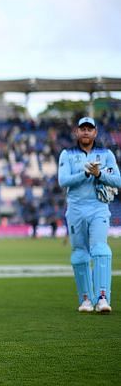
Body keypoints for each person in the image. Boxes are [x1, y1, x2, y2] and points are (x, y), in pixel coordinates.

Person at [57, 117, 120, 313]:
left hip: (98, 207)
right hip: (75, 209)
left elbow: (117, 181)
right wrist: (85, 173)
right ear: (77, 132)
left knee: (101, 250)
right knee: (79, 254)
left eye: (89, 129)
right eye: (82, 129)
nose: (86, 132)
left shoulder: (106, 154)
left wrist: (99, 175)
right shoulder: (67, 154)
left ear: (95, 132)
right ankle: (85, 299)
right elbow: (63, 181)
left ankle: (102, 298)